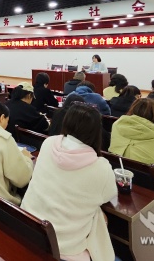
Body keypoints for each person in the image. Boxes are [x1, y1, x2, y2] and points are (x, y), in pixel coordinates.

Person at [21, 103, 117, 261]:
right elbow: (109, 195)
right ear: (96, 132)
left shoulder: (49, 143)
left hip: (29, 226)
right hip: (67, 249)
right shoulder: (101, 167)